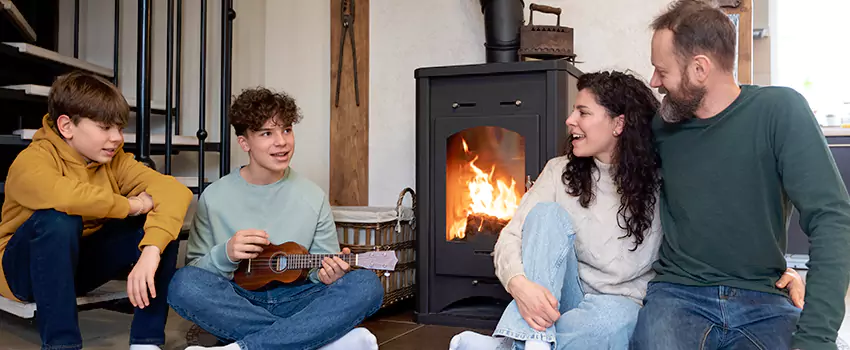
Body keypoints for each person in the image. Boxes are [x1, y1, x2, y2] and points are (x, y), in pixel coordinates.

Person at [448, 70, 808, 350]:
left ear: (619, 123)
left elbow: (713, 231)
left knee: (615, 320)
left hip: (619, 307)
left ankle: (512, 345)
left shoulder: (663, 179)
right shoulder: (559, 171)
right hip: (563, 297)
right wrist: (519, 284)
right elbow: (511, 236)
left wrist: (776, 271)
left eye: (583, 112)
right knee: (545, 216)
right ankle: (535, 340)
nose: (570, 120)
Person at [630, 1, 850, 349]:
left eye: (662, 71)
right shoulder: (662, 126)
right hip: (679, 295)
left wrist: (816, 338)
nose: (655, 82)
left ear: (699, 69)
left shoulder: (779, 111)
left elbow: (832, 219)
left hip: (764, 298)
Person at [167, 87, 384, 350]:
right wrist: (226, 253)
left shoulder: (313, 196)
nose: (282, 142)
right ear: (244, 143)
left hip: (299, 300)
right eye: (267, 133)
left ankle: (244, 347)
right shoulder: (214, 197)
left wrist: (328, 275)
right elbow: (195, 272)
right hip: (240, 301)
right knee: (183, 285)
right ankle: (314, 340)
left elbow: (319, 269)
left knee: (366, 285)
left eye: (287, 130)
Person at [0, 71, 193, 350]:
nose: (117, 138)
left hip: (76, 266)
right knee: (58, 219)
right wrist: (131, 205)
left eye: (119, 128)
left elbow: (174, 191)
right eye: (105, 128)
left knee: (160, 227)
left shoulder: (114, 161)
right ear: (67, 126)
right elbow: (67, 195)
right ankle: (62, 346)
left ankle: (146, 343)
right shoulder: (30, 162)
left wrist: (151, 250)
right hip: (22, 273)